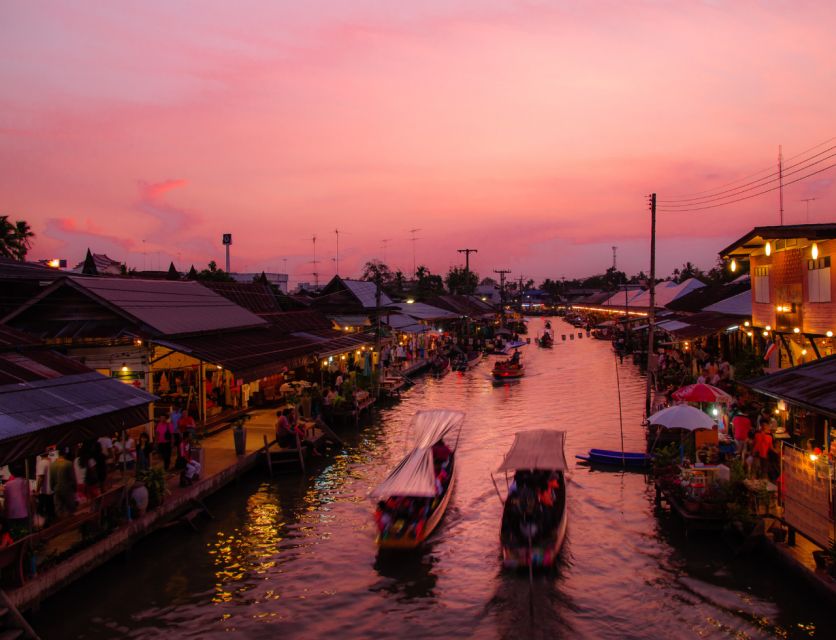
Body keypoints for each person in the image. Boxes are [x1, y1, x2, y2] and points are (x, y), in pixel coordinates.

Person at [3, 464, 30, 536]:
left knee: (14, 533)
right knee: (24, 531)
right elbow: (28, 497)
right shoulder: (25, 482)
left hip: (11, 513)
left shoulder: (7, 484)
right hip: (23, 512)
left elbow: (6, 500)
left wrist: (5, 511)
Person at [50, 447, 77, 518]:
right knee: (70, 509)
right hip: (67, 489)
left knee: (59, 509)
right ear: (65, 454)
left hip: (56, 489)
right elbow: (72, 478)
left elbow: (51, 480)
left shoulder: (52, 465)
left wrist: (53, 488)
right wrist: (75, 488)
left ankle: (62, 522)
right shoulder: (68, 463)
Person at [35, 447, 56, 527]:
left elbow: (41, 477)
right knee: (50, 510)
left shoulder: (42, 463)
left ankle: (45, 527)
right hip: (50, 490)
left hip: (44, 491)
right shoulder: (50, 462)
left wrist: (37, 490)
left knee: (42, 511)